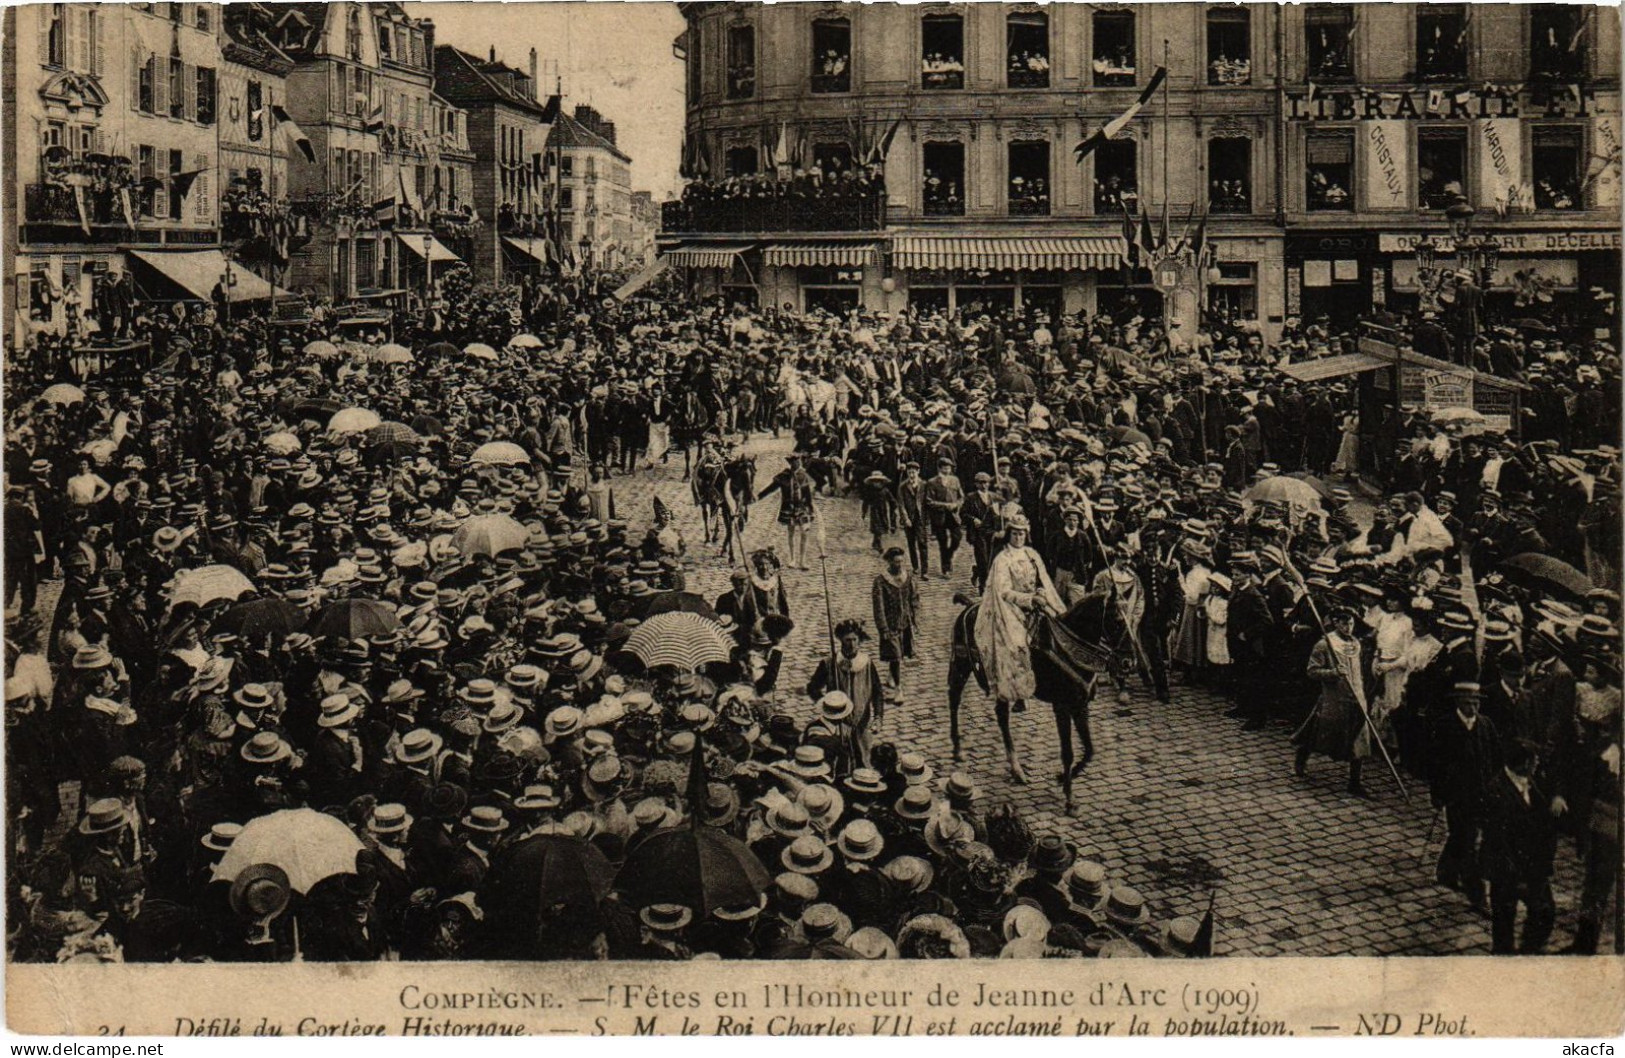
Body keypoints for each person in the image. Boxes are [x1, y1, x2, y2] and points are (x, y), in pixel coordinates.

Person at [973, 514, 1064, 785]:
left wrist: (1039, 593)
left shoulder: (1032, 554)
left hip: (1035, 603)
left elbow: (1042, 580)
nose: (1018, 537)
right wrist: (1026, 599)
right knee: (1015, 642)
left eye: (1022, 533)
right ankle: (1014, 686)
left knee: (1058, 626)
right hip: (1011, 608)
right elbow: (1002, 591)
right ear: (1008, 534)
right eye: (1014, 533)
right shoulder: (1003, 560)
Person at [1292, 607, 1370, 798]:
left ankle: (1355, 782)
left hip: (1357, 697)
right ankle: (1303, 754)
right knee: (1321, 733)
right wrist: (1333, 673)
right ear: (1335, 623)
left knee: (1359, 738)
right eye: (1344, 623)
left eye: (1351, 623)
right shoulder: (1325, 645)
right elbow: (1312, 671)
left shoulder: (1356, 644)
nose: (1348, 627)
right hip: (1334, 699)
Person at [805, 620, 886, 770]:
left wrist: (878, 717)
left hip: (862, 725)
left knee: (865, 764)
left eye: (855, 640)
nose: (852, 644)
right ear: (840, 640)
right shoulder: (829, 663)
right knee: (842, 764)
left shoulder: (867, 663)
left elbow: (877, 692)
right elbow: (812, 688)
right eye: (848, 640)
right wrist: (828, 707)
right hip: (838, 726)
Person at [871, 547, 920, 689]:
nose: (899, 565)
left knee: (901, 652)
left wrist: (915, 619)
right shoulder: (880, 581)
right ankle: (899, 689)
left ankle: (891, 676)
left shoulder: (908, 577)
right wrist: (883, 628)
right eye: (896, 562)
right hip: (890, 624)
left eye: (901, 561)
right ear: (889, 562)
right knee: (896, 655)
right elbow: (878, 607)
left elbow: (914, 599)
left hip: (905, 622)